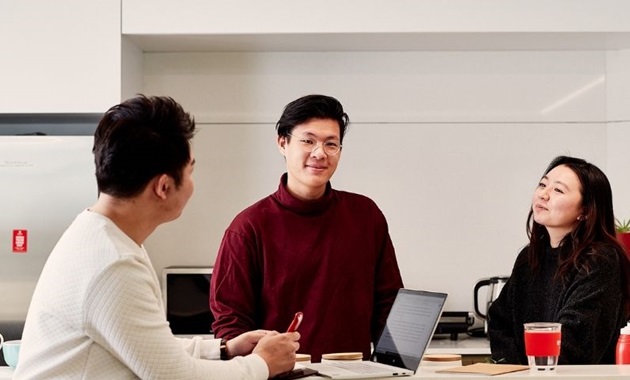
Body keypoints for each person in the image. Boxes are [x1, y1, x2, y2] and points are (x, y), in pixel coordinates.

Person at [14, 95, 299, 380]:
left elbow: (149, 348)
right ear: (163, 186)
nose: (192, 184)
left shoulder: (101, 236)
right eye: (190, 171)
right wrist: (262, 364)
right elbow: (174, 377)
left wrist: (225, 349)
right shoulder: (114, 263)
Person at [210, 94, 404, 362]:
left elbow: (389, 304)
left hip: (357, 375)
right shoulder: (248, 227)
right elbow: (230, 322)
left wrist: (394, 366)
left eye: (331, 144)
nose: (319, 153)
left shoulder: (366, 215)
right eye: (308, 140)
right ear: (283, 143)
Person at [488, 155, 630, 364]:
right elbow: (499, 321)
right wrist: (518, 370)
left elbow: (574, 345)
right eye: (543, 184)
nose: (544, 195)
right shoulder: (529, 257)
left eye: (558, 190)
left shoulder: (600, 260)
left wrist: (529, 370)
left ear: (585, 211)